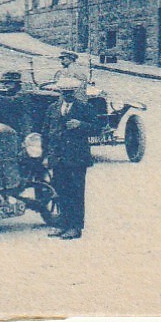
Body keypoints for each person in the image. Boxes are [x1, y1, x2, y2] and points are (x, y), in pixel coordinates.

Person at [42, 75, 99, 240]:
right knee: (60, 192)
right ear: (59, 92)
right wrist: (46, 155)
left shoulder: (84, 108)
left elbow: (97, 128)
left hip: (76, 158)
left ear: (74, 92)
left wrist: (81, 125)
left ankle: (75, 227)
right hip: (57, 158)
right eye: (64, 92)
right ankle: (62, 225)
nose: (67, 95)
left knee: (76, 193)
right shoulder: (52, 108)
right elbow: (45, 132)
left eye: (70, 92)